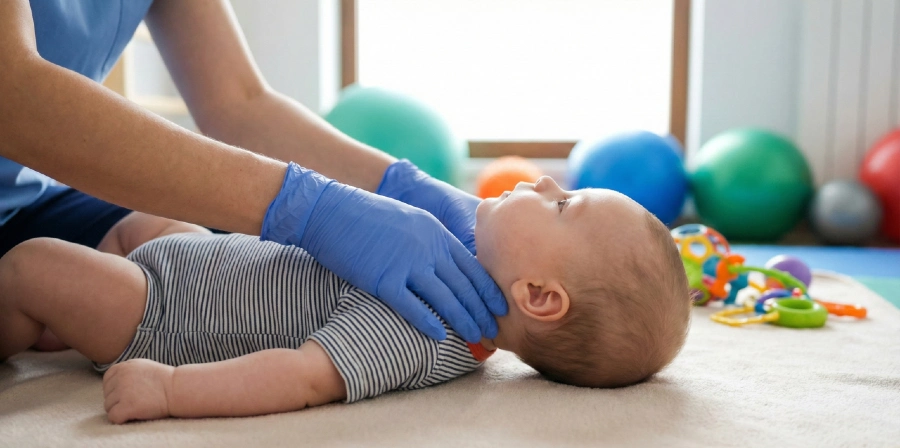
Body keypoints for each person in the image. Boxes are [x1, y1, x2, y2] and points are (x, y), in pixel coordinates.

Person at [0, 0, 505, 343]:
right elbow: (11, 96)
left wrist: (403, 186)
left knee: (188, 257)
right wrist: (312, 207)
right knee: (38, 276)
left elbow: (239, 104)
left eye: (566, 203)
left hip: (26, 192)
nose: (546, 185)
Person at [0, 176, 691, 423]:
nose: (543, 182)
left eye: (563, 205)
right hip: (195, 259)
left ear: (539, 296)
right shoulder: (454, 278)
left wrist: (172, 390)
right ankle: (60, 323)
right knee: (143, 212)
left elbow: (305, 378)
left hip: (164, 316)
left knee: (31, 267)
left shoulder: (421, 326)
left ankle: (28, 325)